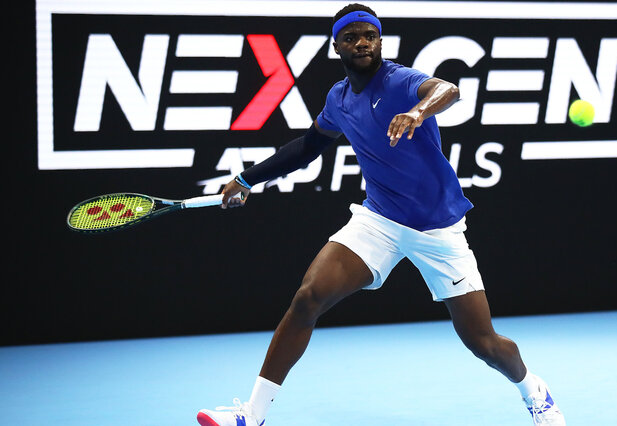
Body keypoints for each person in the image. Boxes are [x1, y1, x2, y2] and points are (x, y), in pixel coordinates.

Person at [197, 4, 565, 426]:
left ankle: (533, 391)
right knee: (308, 298)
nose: (362, 43)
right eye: (351, 37)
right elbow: (307, 148)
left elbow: (448, 89)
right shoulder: (338, 99)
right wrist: (246, 178)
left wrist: (418, 111)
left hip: (438, 230)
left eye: (370, 36)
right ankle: (252, 414)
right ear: (336, 46)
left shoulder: (400, 81)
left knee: (483, 343)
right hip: (379, 221)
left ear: (380, 41)